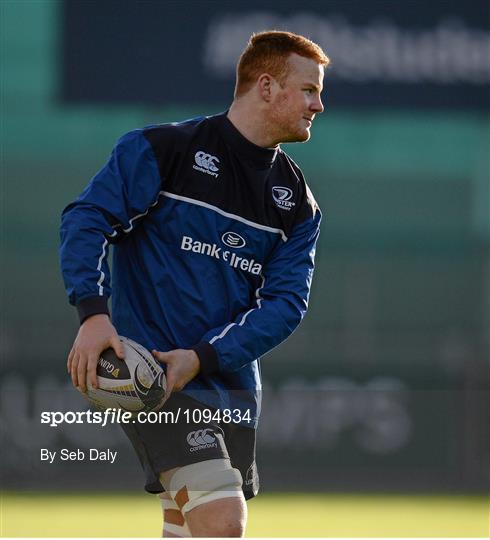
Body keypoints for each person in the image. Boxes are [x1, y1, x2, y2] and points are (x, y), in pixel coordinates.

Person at [60, 30, 329, 537]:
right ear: (266, 87)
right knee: (222, 521)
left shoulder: (297, 202)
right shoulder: (164, 151)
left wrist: (202, 358)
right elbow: (87, 219)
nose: (319, 104)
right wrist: (93, 314)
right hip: (154, 379)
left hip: (230, 387)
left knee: (184, 527)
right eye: (310, 89)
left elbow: (287, 304)